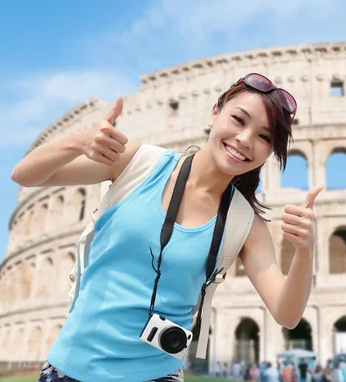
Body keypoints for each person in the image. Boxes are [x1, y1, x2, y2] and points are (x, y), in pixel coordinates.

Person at [17, 73, 323, 381]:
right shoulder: (138, 164)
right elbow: (26, 176)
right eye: (239, 120)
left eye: (265, 137)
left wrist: (305, 249)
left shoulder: (245, 224)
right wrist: (78, 142)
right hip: (72, 367)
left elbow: (287, 313)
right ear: (214, 112)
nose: (245, 139)